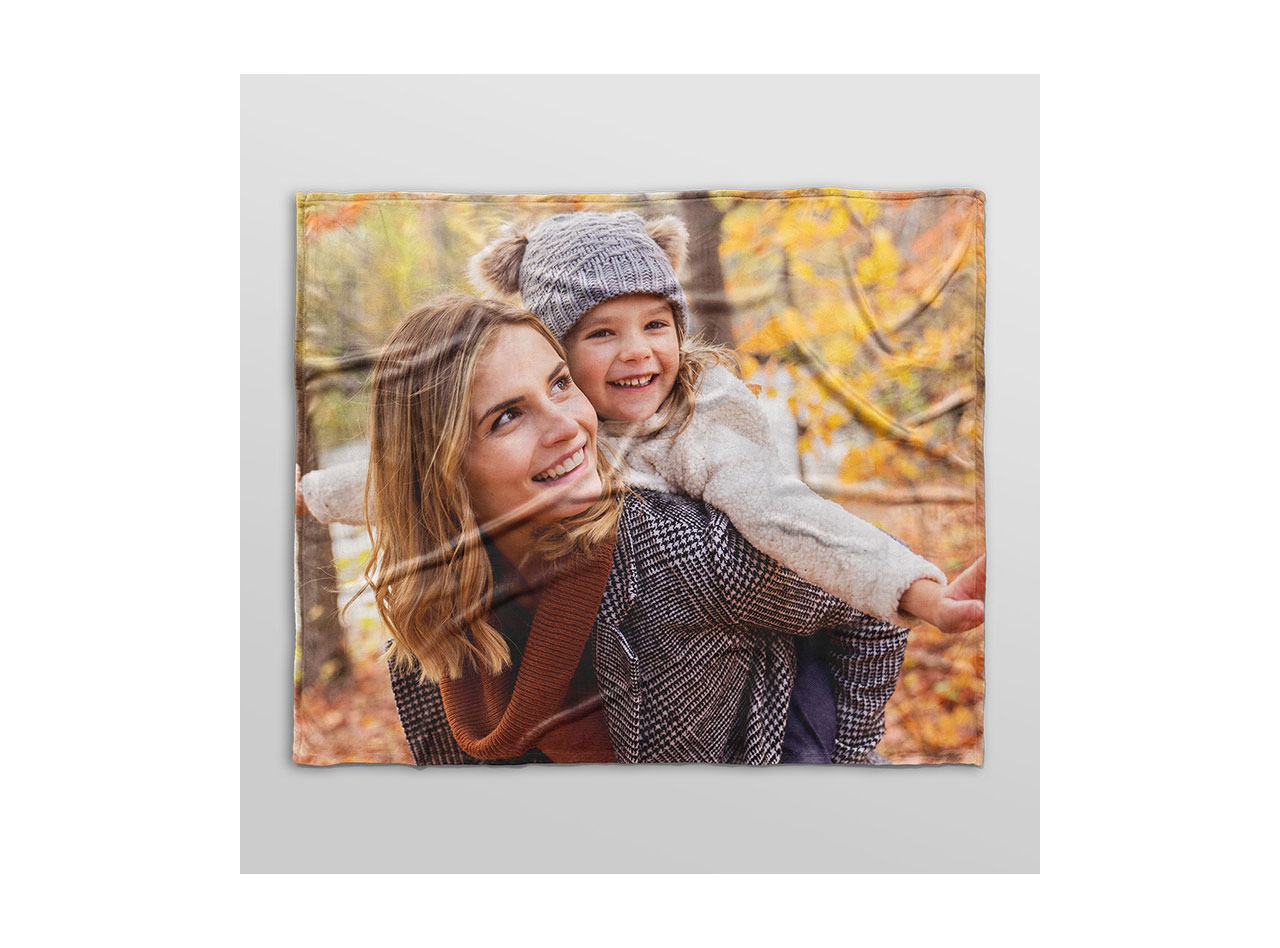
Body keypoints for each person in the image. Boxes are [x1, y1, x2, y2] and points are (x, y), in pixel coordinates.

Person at [358, 295, 984, 765]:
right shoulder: (429, 638)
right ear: (440, 472)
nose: (569, 426)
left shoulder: (679, 551)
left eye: (560, 385)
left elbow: (864, 604)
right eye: (507, 417)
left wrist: (829, 768)